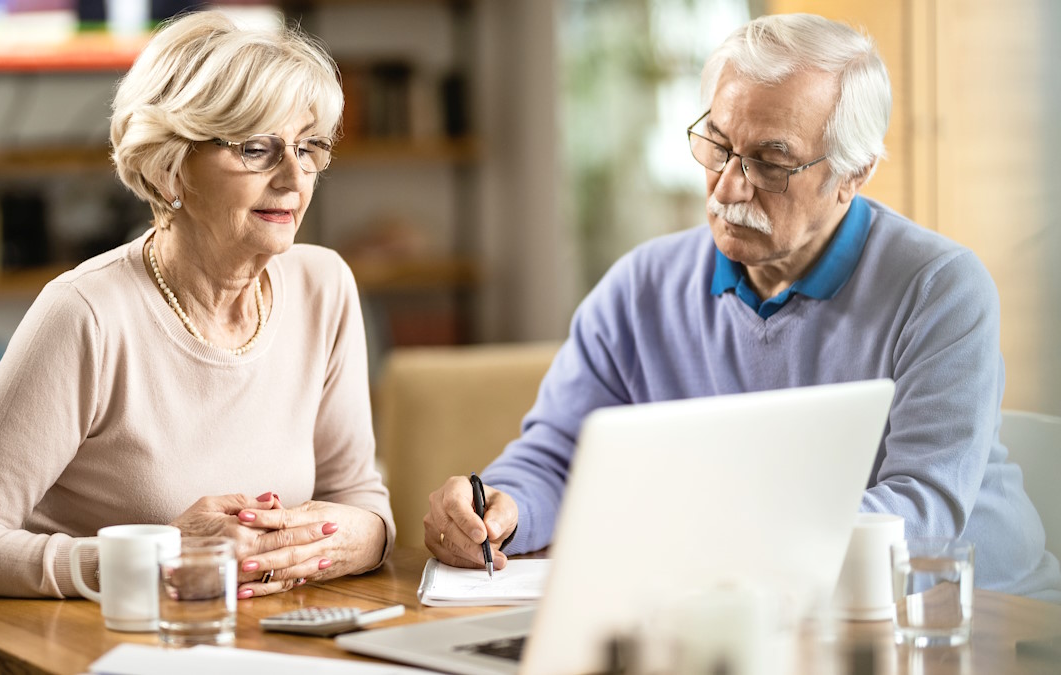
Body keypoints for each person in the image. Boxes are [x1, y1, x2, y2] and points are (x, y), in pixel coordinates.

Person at [425, 13, 1061, 602]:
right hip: (748, 610)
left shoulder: (939, 288)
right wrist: (501, 510)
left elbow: (919, 514)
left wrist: (713, 545)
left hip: (975, 614)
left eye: (770, 161)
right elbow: (560, 455)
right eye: (718, 144)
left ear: (853, 174)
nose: (728, 185)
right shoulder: (640, 287)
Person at [0, 10, 394, 599]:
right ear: (170, 169)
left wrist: (352, 537)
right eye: (256, 149)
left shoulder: (325, 287)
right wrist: (155, 555)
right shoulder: (85, 314)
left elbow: (360, 503)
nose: (295, 178)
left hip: (270, 642)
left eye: (308, 146)